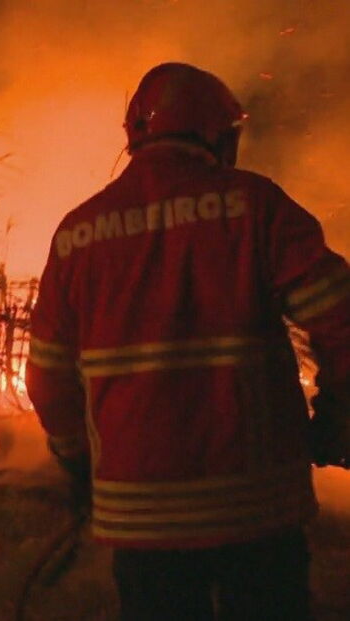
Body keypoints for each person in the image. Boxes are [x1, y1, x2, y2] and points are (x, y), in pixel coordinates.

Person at [26, 62, 349, 620]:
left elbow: (48, 377)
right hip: (257, 508)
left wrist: (77, 461)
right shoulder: (256, 206)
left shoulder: (77, 234)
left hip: (139, 517)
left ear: (134, 136)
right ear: (221, 135)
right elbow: (341, 317)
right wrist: (339, 411)